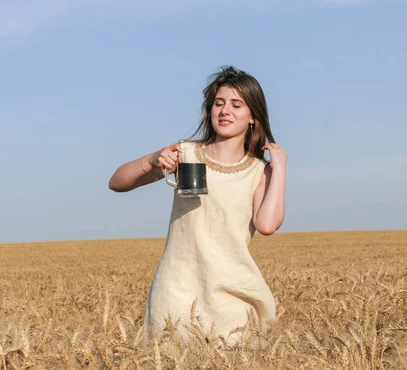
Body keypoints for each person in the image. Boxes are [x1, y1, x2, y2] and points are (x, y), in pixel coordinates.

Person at [108, 66, 287, 345]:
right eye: (219, 103)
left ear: (253, 116)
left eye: (236, 105)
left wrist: (280, 169)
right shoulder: (186, 154)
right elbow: (117, 182)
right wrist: (153, 159)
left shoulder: (257, 172)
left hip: (233, 292)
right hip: (177, 289)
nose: (225, 110)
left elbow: (267, 225)